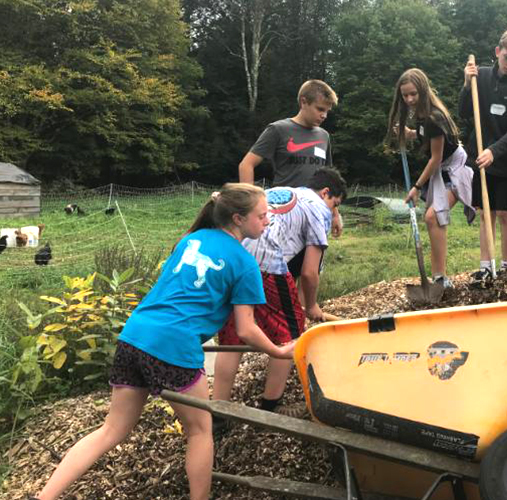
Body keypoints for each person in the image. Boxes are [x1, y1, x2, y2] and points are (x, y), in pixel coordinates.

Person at [31, 184, 295, 500]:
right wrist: (278, 350)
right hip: (174, 346)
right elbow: (246, 329)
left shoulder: (190, 240)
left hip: (135, 336)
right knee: (200, 431)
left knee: (110, 431)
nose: (268, 221)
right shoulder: (245, 263)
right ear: (238, 218)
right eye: (262, 215)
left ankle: (41, 498)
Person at [212, 168, 347, 423]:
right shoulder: (319, 208)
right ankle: (271, 405)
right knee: (290, 332)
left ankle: (218, 411)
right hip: (266, 263)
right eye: (335, 205)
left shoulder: (283, 192)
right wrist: (312, 306)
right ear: (326, 193)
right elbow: (309, 272)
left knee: (232, 336)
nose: (333, 212)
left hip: (232, 255)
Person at [386, 68, 475, 289]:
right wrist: (410, 134)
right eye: (405, 95)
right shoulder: (422, 116)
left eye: (413, 94)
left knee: (432, 217)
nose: (409, 99)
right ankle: (439, 277)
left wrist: (417, 187)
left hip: (457, 168)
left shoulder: (434, 117)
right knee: (433, 219)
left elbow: (435, 158)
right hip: (442, 169)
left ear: (423, 90)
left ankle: (441, 278)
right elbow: (427, 135)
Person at [459, 27, 507, 284]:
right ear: (498, 52)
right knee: (485, 212)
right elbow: (465, 112)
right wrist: (467, 85)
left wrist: (494, 151)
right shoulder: (482, 77)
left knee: (505, 213)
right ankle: (487, 267)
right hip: (481, 157)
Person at [238, 79, 344, 240]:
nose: (324, 115)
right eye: (320, 109)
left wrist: (335, 214)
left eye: (327, 111)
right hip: (283, 213)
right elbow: (246, 164)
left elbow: (328, 179)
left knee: (311, 264)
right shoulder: (278, 129)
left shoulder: (324, 136)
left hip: (315, 214)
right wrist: (249, 206)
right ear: (304, 102)